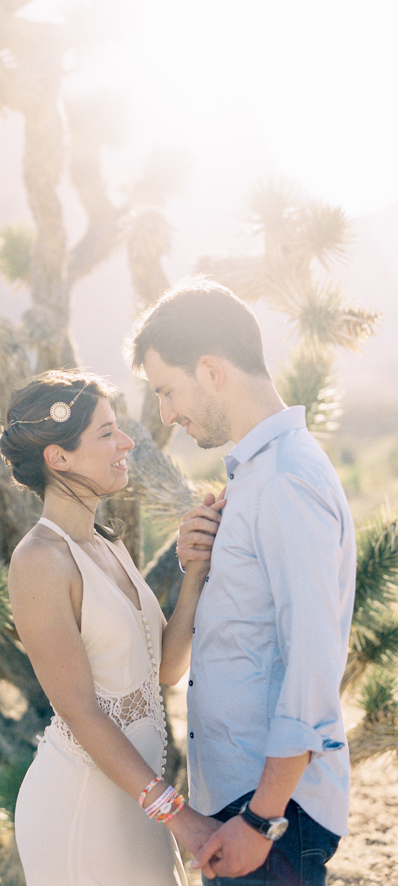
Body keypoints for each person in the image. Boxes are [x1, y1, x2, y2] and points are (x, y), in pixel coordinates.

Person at [129, 277, 356, 886]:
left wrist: (261, 821)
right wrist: (200, 563)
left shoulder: (283, 479)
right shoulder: (256, 478)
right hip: (245, 800)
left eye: (167, 390)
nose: (166, 414)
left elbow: (312, 660)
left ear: (210, 369)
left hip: (270, 812)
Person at [0, 369, 224, 886]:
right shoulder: (38, 560)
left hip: (138, 801)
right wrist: (177, 814)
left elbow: (165, 668)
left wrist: (194, 573)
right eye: (106, 433)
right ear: (58, 457)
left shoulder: (107, 545)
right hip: (81, 804)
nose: (126, 443)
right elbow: (78, 709)